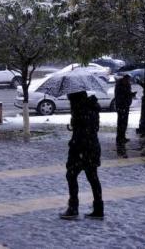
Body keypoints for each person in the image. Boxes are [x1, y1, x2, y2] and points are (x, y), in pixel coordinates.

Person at [60, 91, 104, 220]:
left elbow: (83, 131)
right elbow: (91, 128)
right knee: (93, 177)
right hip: (92, 147)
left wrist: (75, 143)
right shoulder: (91, 107)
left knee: (71, 175)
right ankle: (98, 208)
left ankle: (73, 208)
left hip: (81, 148)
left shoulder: (81, 109)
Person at [114, 74, 135, 157]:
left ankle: (123, 137)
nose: (128, 82)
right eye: (127, 80)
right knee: (121, 123)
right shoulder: (119, 86)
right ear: (124, 79)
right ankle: (119, 138)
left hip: (126, 106)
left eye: (129, 80)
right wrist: (129, 95)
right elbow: (120, 96)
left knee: (125, 122)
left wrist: (131, 94)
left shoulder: (127, 85)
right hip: (121, 106)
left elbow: (127, 94)